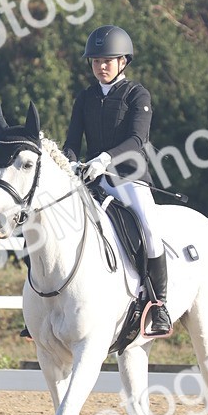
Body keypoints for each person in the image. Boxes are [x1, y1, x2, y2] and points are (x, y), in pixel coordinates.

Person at [62, 24, 172, 336]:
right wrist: (69, 163)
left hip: (128, 178)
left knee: (149, 228)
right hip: (91, 180)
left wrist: (105, 158)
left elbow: (137, 139)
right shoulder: (85, 98)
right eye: (96, 61)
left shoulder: (137, 94)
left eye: (108, 60)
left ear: (123, 61)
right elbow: (72, 141)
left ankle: (158, 304)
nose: (101, 66)